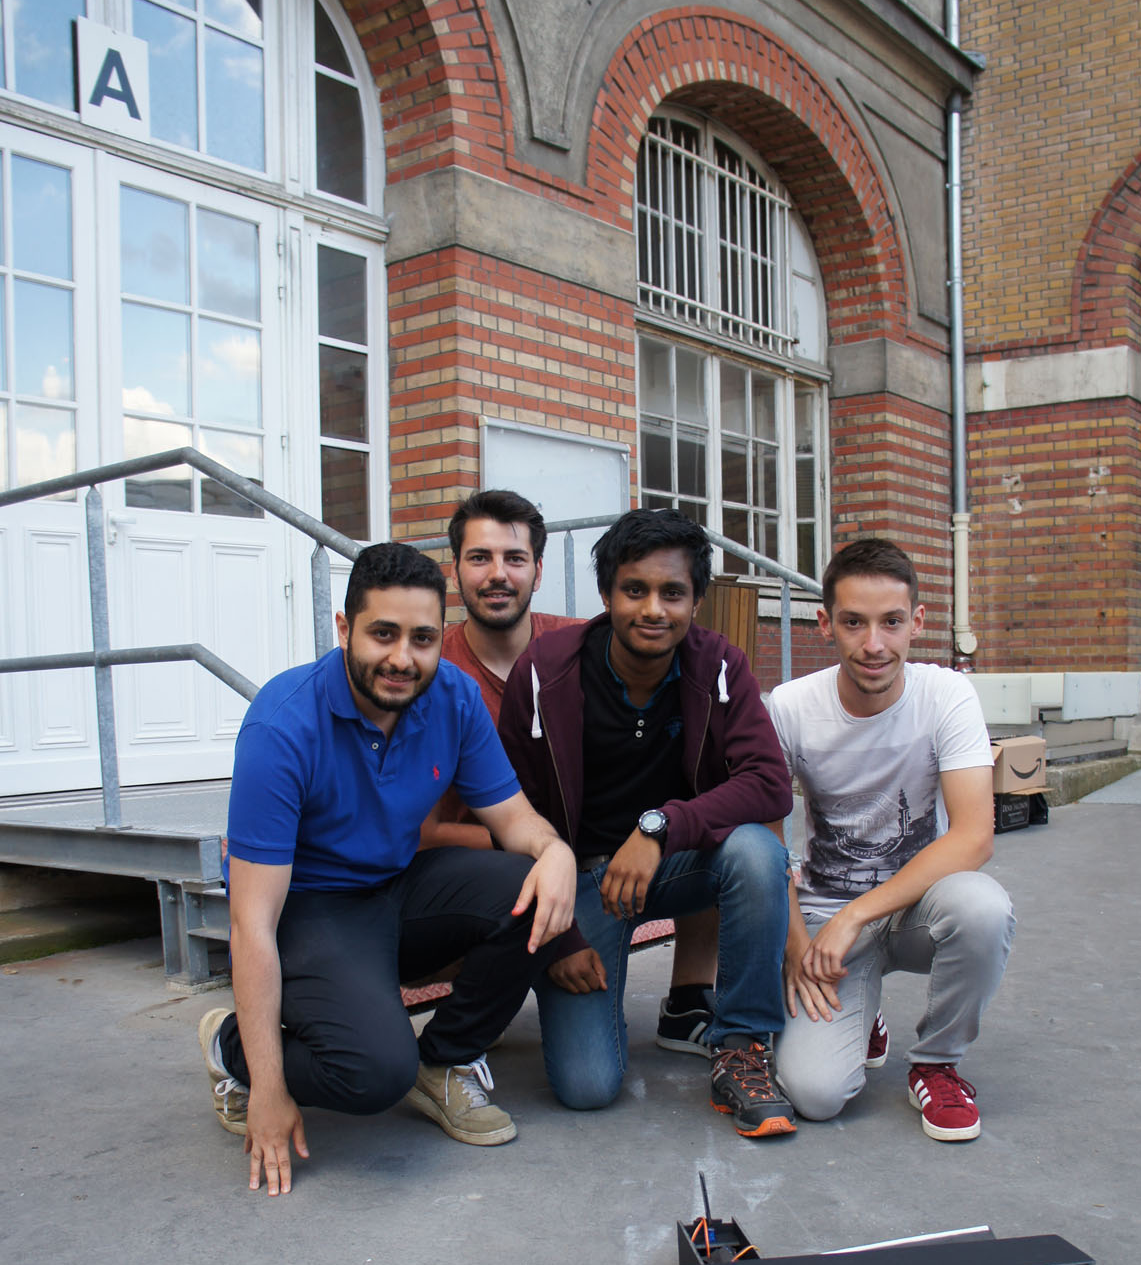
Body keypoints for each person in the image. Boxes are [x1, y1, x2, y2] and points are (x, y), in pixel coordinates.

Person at [197, 541, 577, 1195]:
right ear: (344, 628)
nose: (403, 658)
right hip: (310, 910)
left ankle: (444, 1061)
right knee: (371, 1074)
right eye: (383, 634)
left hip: (397, 887)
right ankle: (230, 1046)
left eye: (423, 638)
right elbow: (251, 923)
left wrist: (557, 852)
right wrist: (268, 1086)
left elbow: (515, 821)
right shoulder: (283, 725)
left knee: (534, 886)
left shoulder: (452, 697)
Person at [499, 506, 798, 1138]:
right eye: (635, 590)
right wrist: (558, 939)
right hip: (579, 884)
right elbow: (510, 813)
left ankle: (741, 1044)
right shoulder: (545, 671)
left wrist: (661, 827)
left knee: (756, 851)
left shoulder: (719, 666)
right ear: (607, 595)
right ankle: (567, 982)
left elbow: (770, 783)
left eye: (673, 593)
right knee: (587, 1087)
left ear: (696, 601)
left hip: (670, 865)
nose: (653, 610)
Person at [422, 487, 722, 1056]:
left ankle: (689, 996)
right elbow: (424, 834)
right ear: (454, 570)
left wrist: (653, 831)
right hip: (486, 874)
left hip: (592, 860)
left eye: (514, 558)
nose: (498, 574)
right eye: (479, 557)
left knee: (704, 807)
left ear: (538, 571)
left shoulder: (584, 646)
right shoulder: (430, 671)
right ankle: (481, 991)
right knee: (583, 1080)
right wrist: (551, 861)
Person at [767, 537, 1015, 1142]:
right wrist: (796, 944)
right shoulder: (791, 707)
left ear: (917, 623)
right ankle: (864, 1011)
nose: (874, 644)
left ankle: (936, 1063)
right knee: (816, 1095)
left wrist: (857, 915)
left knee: (983, 908)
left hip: (913, 909)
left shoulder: (946, 695)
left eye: (891, 622)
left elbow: (974, 837)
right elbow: (768, 844)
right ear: (825, 623)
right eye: (854, 622)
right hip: (825, 918)